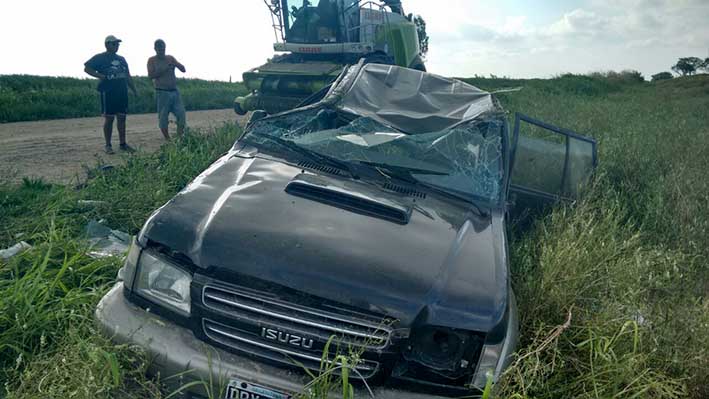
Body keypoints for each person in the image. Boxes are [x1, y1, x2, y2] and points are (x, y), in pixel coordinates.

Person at [84, 35, 138, 154]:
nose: (117, 46)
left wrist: (134, 89)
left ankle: (123, 144)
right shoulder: (100, 57)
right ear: (107, 44)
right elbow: (87, 68)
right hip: (108, 92)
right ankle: (108, 145)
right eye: (114, 44)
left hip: (122, 91)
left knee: (122, 118)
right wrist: (101, 76)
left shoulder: (122, 59)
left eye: (117, 44)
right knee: (109, 119)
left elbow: (128, 75)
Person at [147, 39, 187, 140]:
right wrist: (164, 69)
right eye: (159, 48)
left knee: (181, 114)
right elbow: (151, 76)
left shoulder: (170, 58)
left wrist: (176, 65)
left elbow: (183, 69)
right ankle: (167, 139)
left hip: (174, 91)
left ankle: (179, 137)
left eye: (163, 48)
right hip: (162, 92)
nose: (161, 50)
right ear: (155, 49)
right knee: (163, 117)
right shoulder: (152, 60)